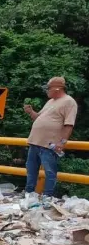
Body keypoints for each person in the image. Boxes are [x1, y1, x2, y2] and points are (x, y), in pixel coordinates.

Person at [23, 76, 78, 207]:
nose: (47, 90)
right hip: (35, 142)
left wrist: (62, 142)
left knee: (49, 172)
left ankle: (47, 196)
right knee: (31, 169)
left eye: (49, 88)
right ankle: (29, 194)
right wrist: (31, 112)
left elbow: (69, 124)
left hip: (49, 144)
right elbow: (38, 118)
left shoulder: (69, 102)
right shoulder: (50, 102)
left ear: (58, 88)